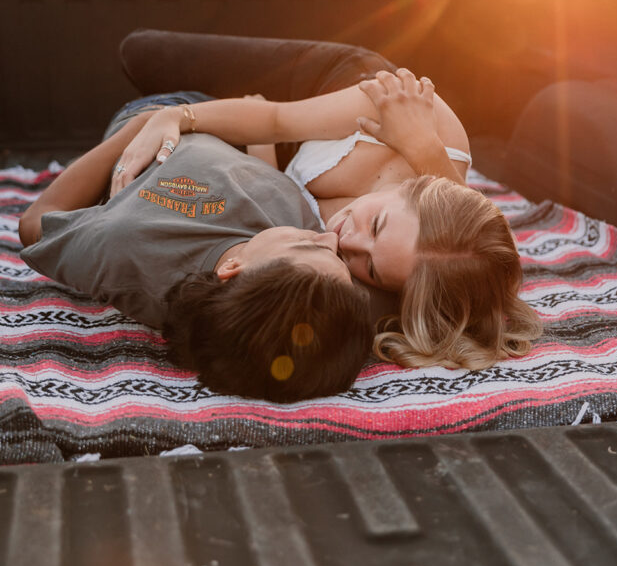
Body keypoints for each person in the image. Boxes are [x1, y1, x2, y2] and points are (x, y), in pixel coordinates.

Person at [111, 31, 543, 371]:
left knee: (146, 94)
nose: (345, 241)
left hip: (272, 150)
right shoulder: (402, 113)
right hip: (315, 88)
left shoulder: (419, 262)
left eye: (370, 268)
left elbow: (478, 273)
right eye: (375, 226)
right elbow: (275, 118)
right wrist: (173, 117)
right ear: (416, 186)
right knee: (140, 52)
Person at [18, 98, 374, 402]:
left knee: (139, 48)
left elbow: (34, 224)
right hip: (244, 120)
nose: (331, 239)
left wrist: (148, 121)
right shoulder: (305, 280)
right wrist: (257, 131)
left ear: (232, 268)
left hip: (153, 112)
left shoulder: (126, 249)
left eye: (308, 244)